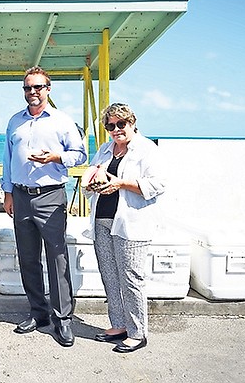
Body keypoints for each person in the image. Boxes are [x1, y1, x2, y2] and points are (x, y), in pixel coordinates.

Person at [1, 66, 87, 347]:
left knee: (57, 259)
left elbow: (80, 154)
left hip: (51, 196)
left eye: (38, 87)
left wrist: (55, 157)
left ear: (48, 89)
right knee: (28, 258)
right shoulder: (15, 121)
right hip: (22, 197)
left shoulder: (63, 121)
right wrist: (8, 192)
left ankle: (63, 319)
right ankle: (38, 314)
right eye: (28, 88)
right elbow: (7, 158)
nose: (33, 92)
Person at [82, 102, 165, 353]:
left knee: (131, 278)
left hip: (131, 223)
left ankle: (138, 333)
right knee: (109, 275)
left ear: (132, 123)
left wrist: (122, 184)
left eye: (121, 124)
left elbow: (157, 184)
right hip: (102, 220)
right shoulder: (106, 149)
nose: (116, 129)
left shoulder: (147, 149)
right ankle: (118, 324)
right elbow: (93, 174)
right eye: (111, 125)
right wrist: (92, 184)